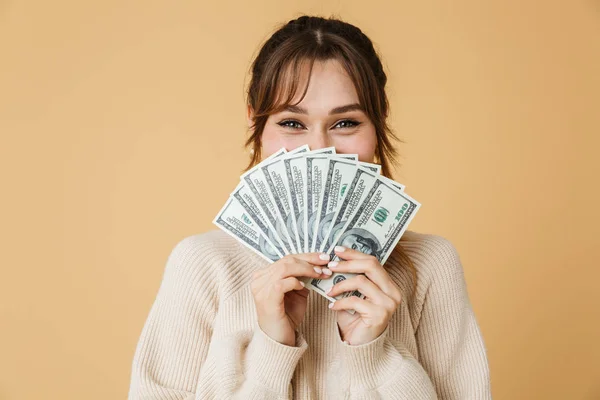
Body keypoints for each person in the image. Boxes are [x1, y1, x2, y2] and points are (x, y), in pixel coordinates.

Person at [128, 15, 492, 399]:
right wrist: (272, 347)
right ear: (257, 123)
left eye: (346, 123)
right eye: (292, 123)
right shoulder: (202, 265)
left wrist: (374, 355)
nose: (319, 150)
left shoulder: (430, 265)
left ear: (379, 122)